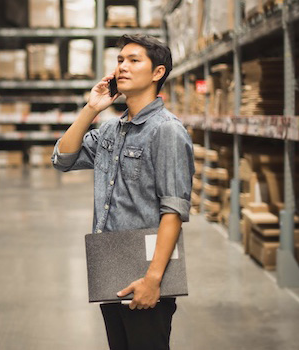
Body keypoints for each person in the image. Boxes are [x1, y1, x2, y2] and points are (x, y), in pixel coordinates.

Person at [51, 34, 194, 350]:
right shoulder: (109, 130)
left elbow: (173, 210)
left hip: (145, 272)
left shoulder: (167, 131)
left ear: (157, 73)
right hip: (110, 264)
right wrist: (92, 108)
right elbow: (62, 159)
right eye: (119, 61)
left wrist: (153, 280)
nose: (122, 67)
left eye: (134, 60)